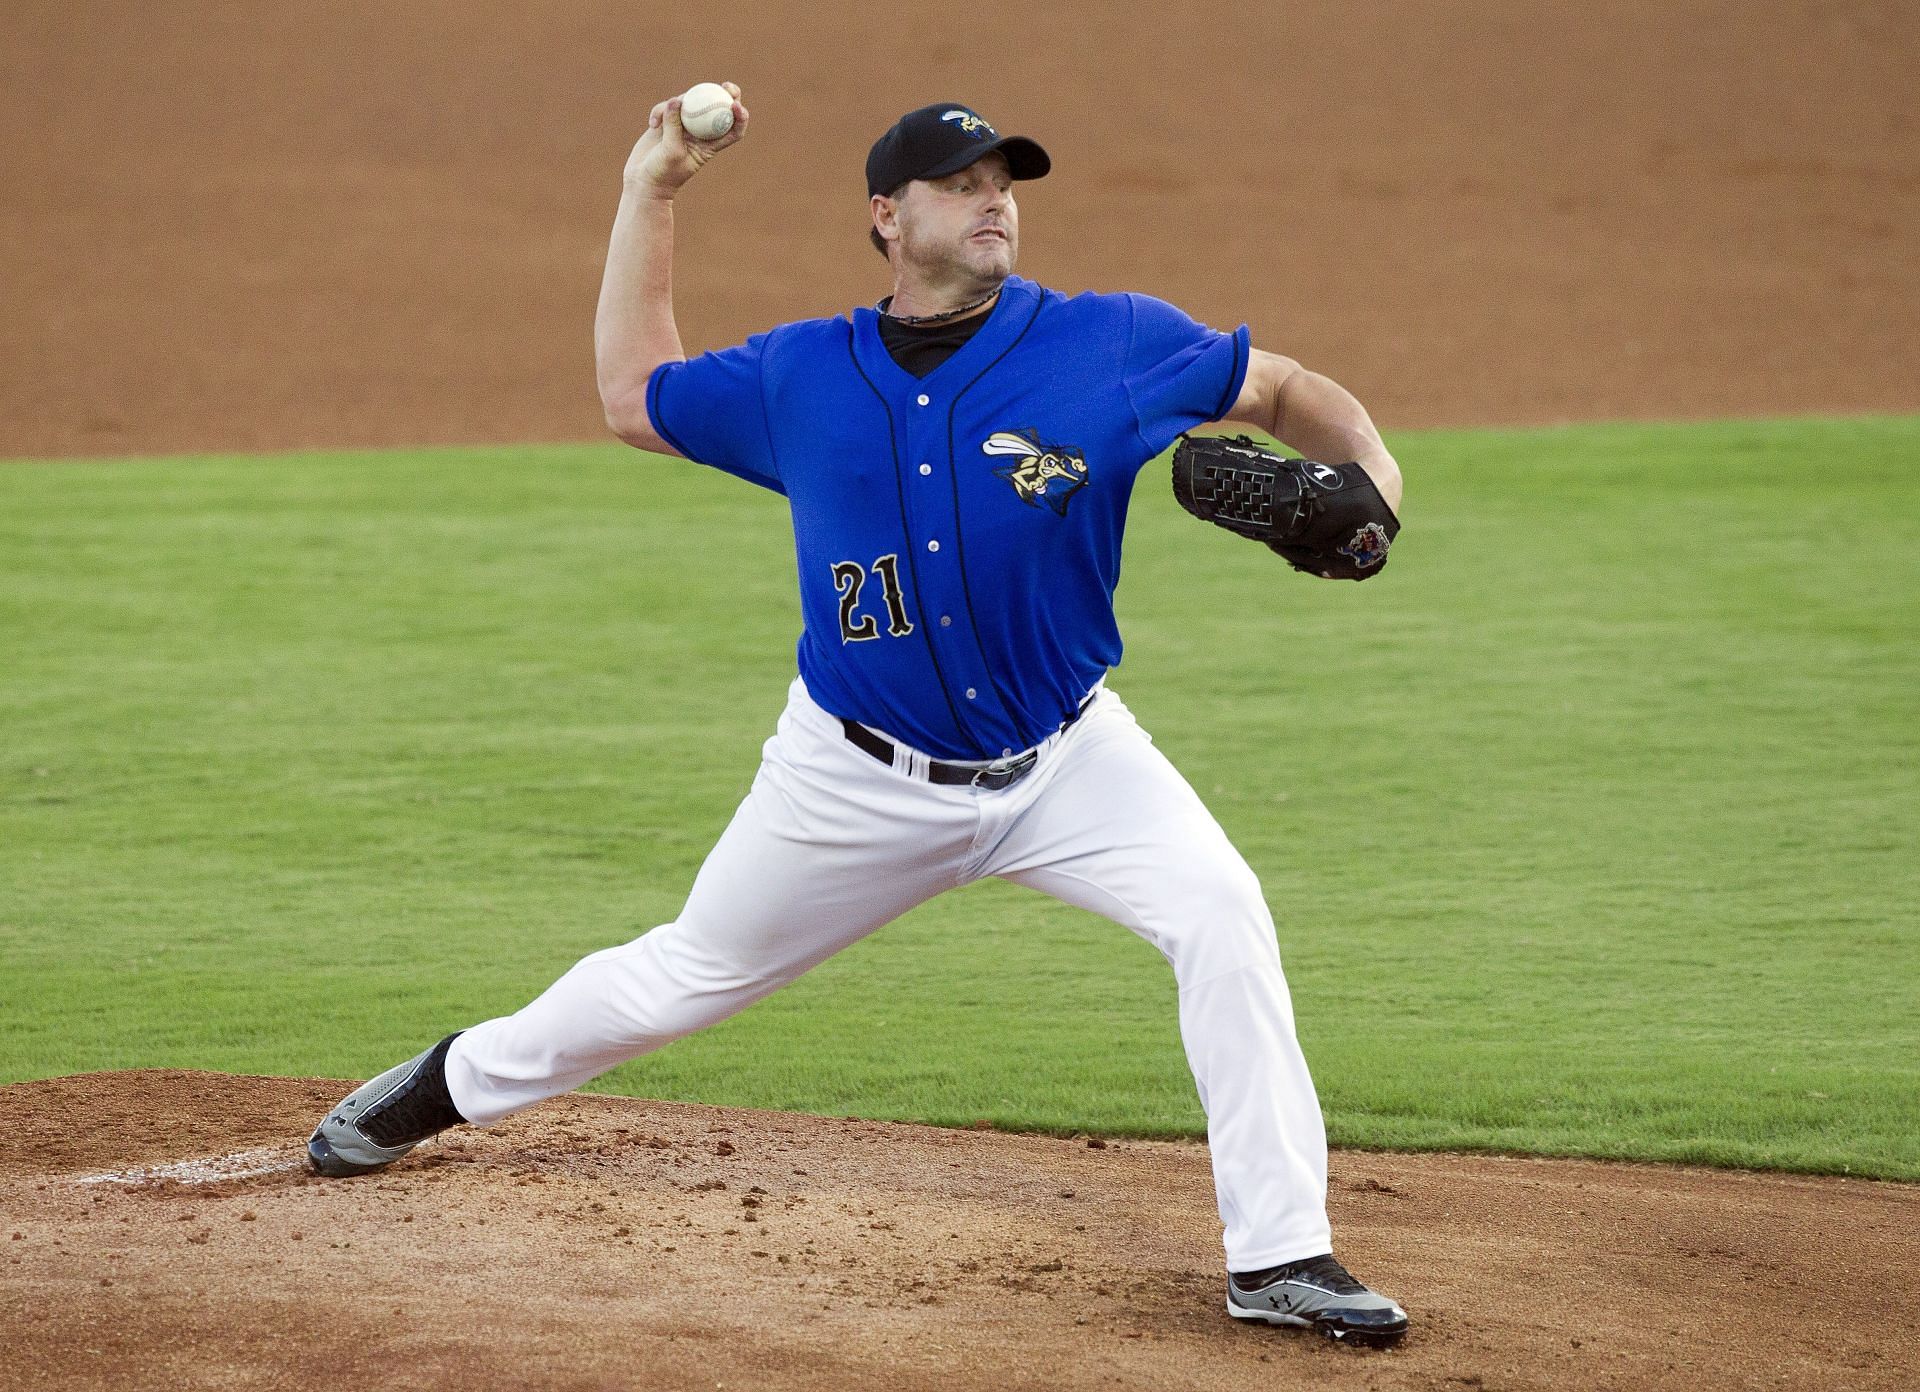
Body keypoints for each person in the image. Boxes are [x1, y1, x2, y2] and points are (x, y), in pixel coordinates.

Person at [306, 87, 1411, 1346]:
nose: (996, 198)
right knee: (682, 978)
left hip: (1070, 760)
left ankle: (1279, 1258)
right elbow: (632, 393)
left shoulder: (1110, 342)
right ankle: (445, 1083)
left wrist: (1371, 491)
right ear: (887, 216)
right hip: (851, 781)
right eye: (960, 181)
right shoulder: (799, 375)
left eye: (1007, 179)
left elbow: (1290, 391)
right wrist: (650, 191)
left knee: (1222, 912)